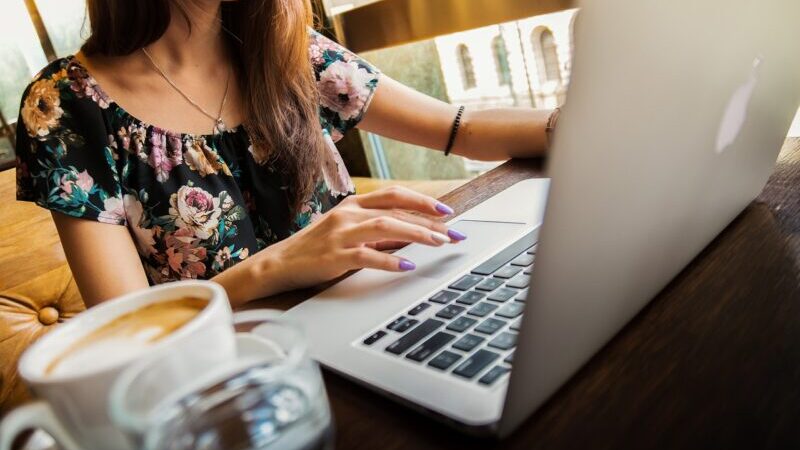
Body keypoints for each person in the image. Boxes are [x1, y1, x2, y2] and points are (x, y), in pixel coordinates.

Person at [14, 0, 554, 308]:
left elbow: (459, 128)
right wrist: (279, 266)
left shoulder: (286, 48)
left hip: (369, 314)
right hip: (230, 383)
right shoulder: (65, 104)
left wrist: (579, 123)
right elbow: (129, 328)